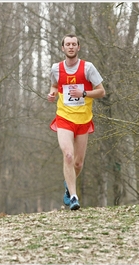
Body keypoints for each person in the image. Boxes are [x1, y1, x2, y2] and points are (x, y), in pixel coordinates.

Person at [47, 33, 106, 210]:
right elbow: (54, 86)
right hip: (64, 117)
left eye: (74, 44)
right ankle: (73, 197)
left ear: (78, 47)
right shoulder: (56, 68)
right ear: (62, 48)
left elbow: (102, 91)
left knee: (78, 163)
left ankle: (68, 187)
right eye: (68, 44)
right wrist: (52, 94)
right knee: (68, 155)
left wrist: (84, 94)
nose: (71, 47)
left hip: (83, 120)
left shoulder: (88, 68)